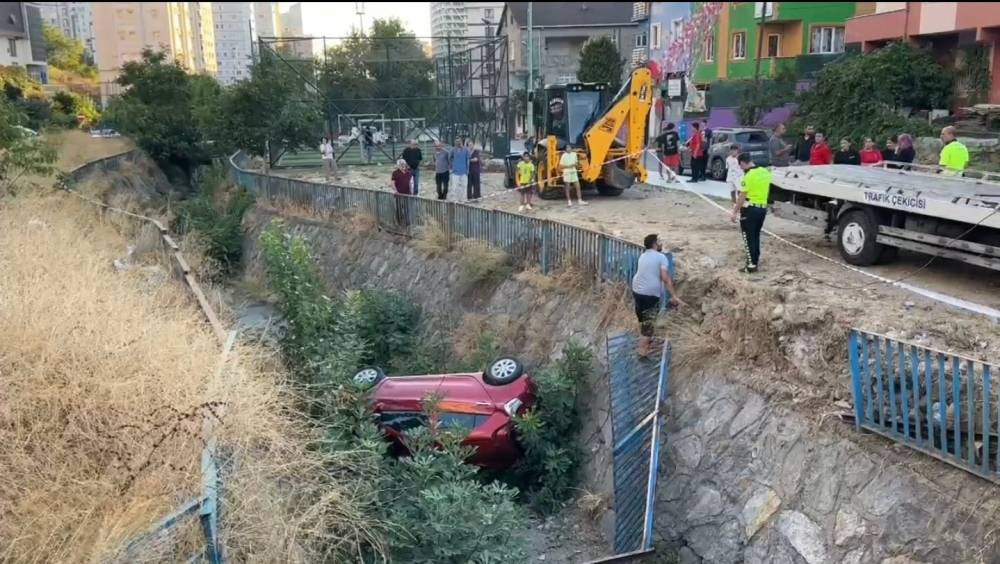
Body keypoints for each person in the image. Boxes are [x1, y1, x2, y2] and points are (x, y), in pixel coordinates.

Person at [631, 233, 681, 358]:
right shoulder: (661, 257)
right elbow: (665, 278)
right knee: (649, 325)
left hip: (637, 290)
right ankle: (642, 352)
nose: (661, 243)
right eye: (659, 241)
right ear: (654, 244)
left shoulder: (642, 256)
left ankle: (645, 342)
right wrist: (674, 296)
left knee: (643, 319)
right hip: (649, 294)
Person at [731, 153, 771, 274]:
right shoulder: (764, 172)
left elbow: (742, 196)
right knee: (756, 235)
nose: (741, 168)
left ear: (743, 163)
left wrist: (734, 212)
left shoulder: (748, 176)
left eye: (740, 166)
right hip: (762, 209)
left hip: (750, 209)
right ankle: (755, 260)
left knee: (748, 237)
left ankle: (751, 265)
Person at [390, 159, 412, 227]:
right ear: (398, 165)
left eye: (403, 164)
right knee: (399, 208)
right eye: (401, 164)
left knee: (407, 209)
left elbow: (410, 183)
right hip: (399, 194)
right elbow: (392, 183)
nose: (402, 166)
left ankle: (407, 223)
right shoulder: (395, 173)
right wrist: (396, 191)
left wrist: (411, 191)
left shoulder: (408, 173)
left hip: (407, 194)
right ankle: (399, 223)